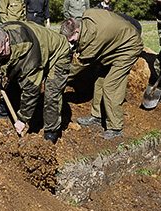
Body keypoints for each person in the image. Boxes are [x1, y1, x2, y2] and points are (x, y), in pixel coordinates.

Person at [60, 8, 143, 139]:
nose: (72, 44)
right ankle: (97, 116)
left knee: (110, 86)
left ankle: (115, 128)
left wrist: (62, 77)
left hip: (129, 47)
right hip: (115, 44)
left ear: (76, 30)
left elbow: (80, 65)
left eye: (72, 41)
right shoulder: (87, 15)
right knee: (99, 78)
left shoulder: (92, 41)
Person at [0, 21, 71, 144]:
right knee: (14, 76)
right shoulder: (2, 31)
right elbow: (3, 57)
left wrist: (22, 119)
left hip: (58, 53)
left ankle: (51, 133)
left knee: (52, 94)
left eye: (1, 53)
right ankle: (3, 111)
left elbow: (32, 90)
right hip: (41, 47)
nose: (0, 57)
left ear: (7, 39)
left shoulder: (29, 57)